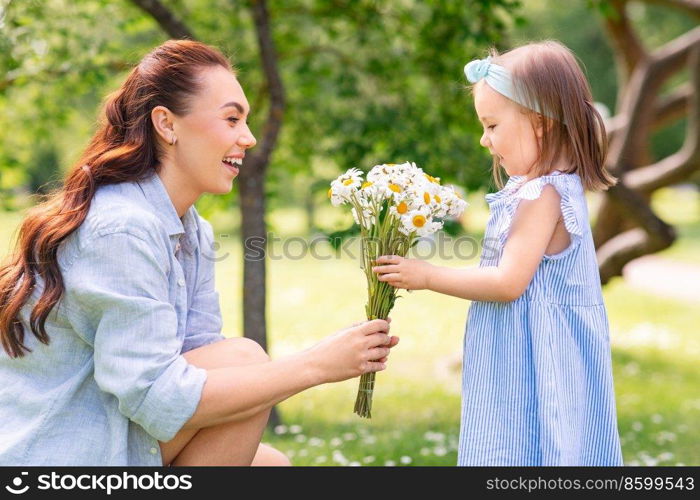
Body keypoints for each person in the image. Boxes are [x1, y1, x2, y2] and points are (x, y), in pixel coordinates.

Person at [0, 40, 398, 466]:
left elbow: (201, 359)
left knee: (272, 463)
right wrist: (315, 366)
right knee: (245, 361)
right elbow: (152, 397)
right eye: (231, 119)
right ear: (167, 125)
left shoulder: (191, 229)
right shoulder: (122, 228)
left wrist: (317, 358)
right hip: (60, 454)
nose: (248, 138)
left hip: (112, 431)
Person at [372, 41, 623, 466]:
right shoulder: (540, 190)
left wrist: (427, 275)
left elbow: (508, 282)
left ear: (539, 123)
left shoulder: (543, 194)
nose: (485, 140)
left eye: (492, 125)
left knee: (527, 451)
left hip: (534, 363)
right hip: (525, 351)